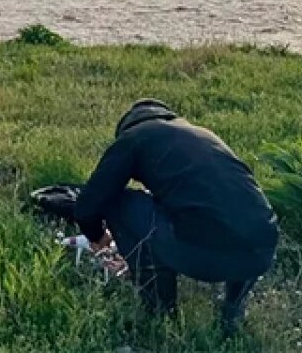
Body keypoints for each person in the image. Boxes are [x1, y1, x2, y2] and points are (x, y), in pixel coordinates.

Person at [74, 99, 278, 335]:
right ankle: (233, 313)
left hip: (205, 256)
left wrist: (97, 236)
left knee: (119, 202)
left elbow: (88, 205)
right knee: (234, 217)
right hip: (262, 252)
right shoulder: (203, 136)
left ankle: (160, 311)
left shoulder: (134, 138)